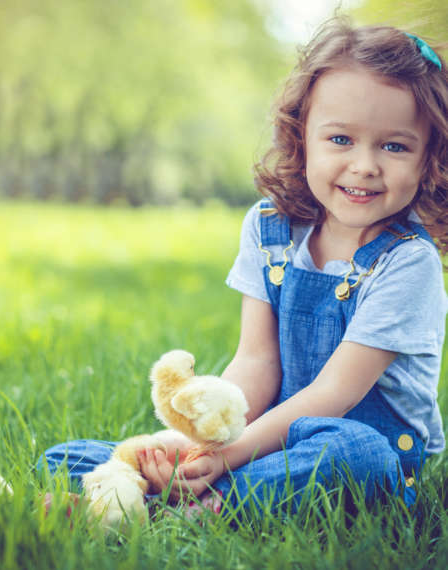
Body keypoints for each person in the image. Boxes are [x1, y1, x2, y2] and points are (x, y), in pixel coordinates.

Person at [39, 19, 447, 517]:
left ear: (430, 159)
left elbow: (336, 393)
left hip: (359, 450)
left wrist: (232, 456)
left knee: (356, 454)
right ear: (302, 139)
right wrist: (199, 445)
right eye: (340, 139)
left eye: (394, 146)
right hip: (264, 440)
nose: (364, 165)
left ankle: (178, 508)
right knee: (63, 458)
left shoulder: (408, 262)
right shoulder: (270, 228)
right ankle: (157, 488)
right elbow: (257, 363)